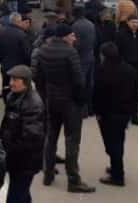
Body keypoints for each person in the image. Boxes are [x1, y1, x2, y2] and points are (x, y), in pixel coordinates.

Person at [31, 24, 95, 193]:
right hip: (70, 102)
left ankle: (48, 174)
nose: (74, 38)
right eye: (72, 35)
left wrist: (46, 95)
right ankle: (73, 180)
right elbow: (79, 80)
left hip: (52, 101)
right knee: (72, 140)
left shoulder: (43, 50)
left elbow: (37, 77)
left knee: (51, 137)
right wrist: (81, 101)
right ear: (65, 36)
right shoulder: (70, 52)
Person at [93, 42, 138, 186]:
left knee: (111, 144)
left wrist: (97, 112)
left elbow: (98, 94)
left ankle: (117, 175)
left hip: (108, 114)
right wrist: (132, 112)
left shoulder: (103, 71)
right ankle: (115, 167)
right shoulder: (129, 70)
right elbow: (135, 94)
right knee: (118, 142)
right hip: (123, 113)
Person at [1, 65, 45, 203]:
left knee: (15, 196)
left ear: (25, 82)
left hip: (25, 161)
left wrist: (11, 149)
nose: (11, 83)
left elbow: (31, 138)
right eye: (11, 79)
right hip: (14, 159)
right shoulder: (12, 96)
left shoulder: (33, 104)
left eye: (15, 80)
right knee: (22, 194)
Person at [116, 15, 138, 126]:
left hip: (137, 70)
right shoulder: (121, 35)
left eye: (137, 22)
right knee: (124, 94)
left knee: (135, 94)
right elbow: (117, 52)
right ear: (127, 22)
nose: (135, 24)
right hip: (124, 69)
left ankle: (134, 117)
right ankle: (123, 117)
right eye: (133, 22)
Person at [0, 13, 31, 98]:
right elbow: (27, 53)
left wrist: (1, 61)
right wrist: (27, 66)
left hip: (5, 65)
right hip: (19, 67)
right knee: (18, 88)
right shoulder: (22, 35)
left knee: (6, 86)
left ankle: (6, 101)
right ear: (18, 21)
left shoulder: (1, 32)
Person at [71, 6, 96, 116]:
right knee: (90, 84)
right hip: (90, 56)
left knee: (81, 84)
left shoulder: (75, 26)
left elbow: (76, 44)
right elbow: (95, 40)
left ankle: (83, 110)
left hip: (81, 58)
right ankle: (91, 108)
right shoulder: (91, 24)